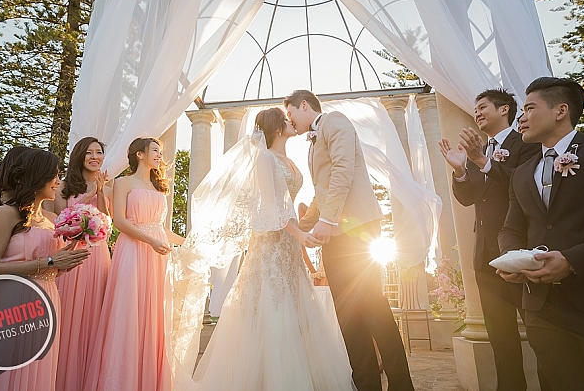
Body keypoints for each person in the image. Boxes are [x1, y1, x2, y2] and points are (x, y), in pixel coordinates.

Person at [188, 107, 354, 390]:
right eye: (286, 119)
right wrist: (299, 234)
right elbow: (269, 207)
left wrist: (307, 229)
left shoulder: (288, 159)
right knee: (273, 306)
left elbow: (288, 204)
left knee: (294, 305)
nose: (292, 122)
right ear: (277, 128)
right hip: (270, 245)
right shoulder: (263, 158)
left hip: (289, 242)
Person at [285, 90, 413, 391]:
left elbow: (344, 169)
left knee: (373, 308)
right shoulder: (312, 142)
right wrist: (298, 228)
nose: (290, 120)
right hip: (334, 237)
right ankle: (366, 384)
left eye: (291, 113)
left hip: (358, 230)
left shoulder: (334, 122)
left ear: (305, 105)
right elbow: (323, 190)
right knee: (348, 315)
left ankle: (402, 385)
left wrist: (327, 221)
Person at [497, 77, 584, 391]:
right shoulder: (522, 172)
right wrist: (513, 260)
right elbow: (511, 228)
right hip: (541, 307)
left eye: (529, 108)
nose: (520, 118)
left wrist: (573, 260)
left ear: (560, 110)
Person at [0, 149, 90, 391]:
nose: (58, 181)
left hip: (47, 298)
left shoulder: (51, 220)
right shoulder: (7, 212)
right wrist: (50, 262)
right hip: (11, 300)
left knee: (36, 374)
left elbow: (50, 265)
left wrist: (63, 264)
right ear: (35, 176)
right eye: (53, 175)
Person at [438, 89, 541, 390]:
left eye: (483, 107)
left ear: (504, 109)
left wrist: (482, 160)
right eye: (476, 109)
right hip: (485, 255)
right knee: (500, 337)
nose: (478, 113)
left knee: (539, 332)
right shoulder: (478, 150)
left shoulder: (525, 143)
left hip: (518, 250)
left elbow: (523, 185)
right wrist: (460, 169)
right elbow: (468, 197)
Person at [85, 137, 183, 391]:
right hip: (133, 250)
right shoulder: (123, 183)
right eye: (155, 151)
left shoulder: (160, 188)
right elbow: (120, 222)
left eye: (160, 152)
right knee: (128, 310)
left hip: (157, 252)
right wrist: (150, 240)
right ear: (139, 154)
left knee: (153, 313)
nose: (160, 155)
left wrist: (188, 240)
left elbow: (162, 228)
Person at [53, 137, 112, 391]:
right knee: (68, 312)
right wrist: (90, 194)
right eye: (89, 153)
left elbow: (108, 224)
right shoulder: (63, 187)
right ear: (79, 156)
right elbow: (58, 222)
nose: (95, 157)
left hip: (98, 256)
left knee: (96, 313)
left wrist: (101, 194)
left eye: (99, 152)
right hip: (69, 254)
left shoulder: (107, 187)